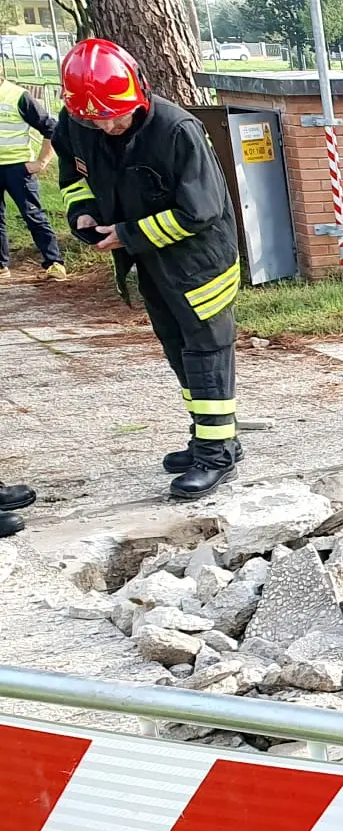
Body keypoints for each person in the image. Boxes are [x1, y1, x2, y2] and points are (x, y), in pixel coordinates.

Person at [54, 38, 243, 499]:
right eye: (95, 119)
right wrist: (83, 215)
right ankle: (210, 438)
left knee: (206, 351)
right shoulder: (77, 124)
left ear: (137, 94)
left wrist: (127, 234)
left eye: (115, 115)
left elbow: (201, 210)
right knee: (176, 348)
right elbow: (74, 177)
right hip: (150, 262)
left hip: (198, 263)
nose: (108, 125)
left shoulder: (177, 131)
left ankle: (216, 457)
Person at [0, 72, 66, 281]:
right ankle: (2, 267)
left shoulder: (18, 96)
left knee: (33, 215)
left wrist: (41, 162)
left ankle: (54, 263)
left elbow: (51, 128)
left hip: (18, 169)